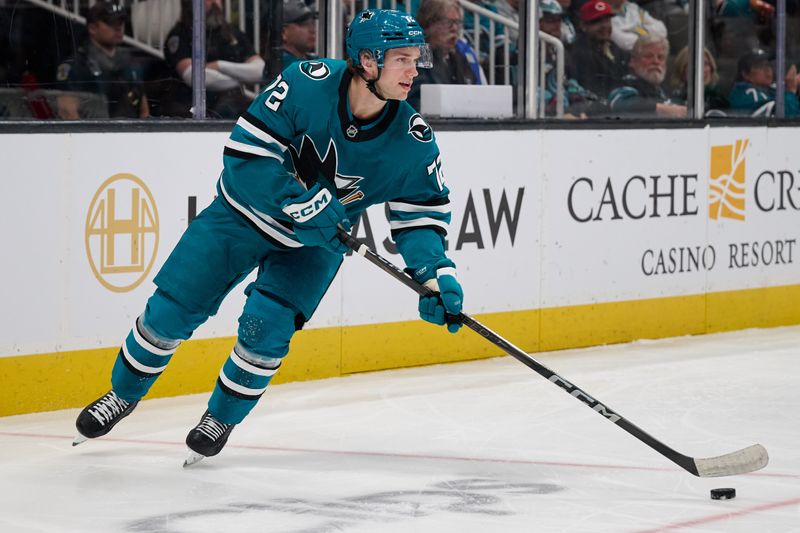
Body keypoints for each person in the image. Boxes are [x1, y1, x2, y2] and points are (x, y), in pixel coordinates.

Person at [73, 9, 464, 465]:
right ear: (367, 61)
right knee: (170, 310)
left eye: (417, 59)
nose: (413, 71)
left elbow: (421, 214)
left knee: (266, 330)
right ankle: (123, 393)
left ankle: (221, 416)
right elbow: (244, 155)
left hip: (312, 246)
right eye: (401, 59)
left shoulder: (413, 141)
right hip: (239, 216)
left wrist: (434, 273)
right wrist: (298, 203)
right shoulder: (305, 82)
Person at [164, 0, 265, 118]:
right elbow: (192, 75)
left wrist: (219, 65)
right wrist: (242, 78)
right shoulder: (181, 34)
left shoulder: (232, 32)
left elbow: (259, 71)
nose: (215, 3)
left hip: (233, 108)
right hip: (191, 110)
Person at [56, 2, 149, 119]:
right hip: (93, 132)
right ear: (92, 28)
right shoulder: (77, 64)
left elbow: (143, 108)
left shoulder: (130, 62)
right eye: (111, 23)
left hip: (129, 131)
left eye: (121, 22)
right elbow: (67, 111)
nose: (118, 27)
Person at [408, 0, 485, 110]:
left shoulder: (459, 56)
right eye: (448, 22)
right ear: (429, 24)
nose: (454, 29)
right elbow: (418, 99)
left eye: (457, 23)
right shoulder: (420, 54)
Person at [608, 35, 687, 117]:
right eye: (648, 56)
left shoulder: (666, 91)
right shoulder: (624, 84)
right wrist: (669, 109)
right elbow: (620, 104)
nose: (656, 61)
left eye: (660, 57)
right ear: (633, 62)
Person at [570, 0, 629, 100]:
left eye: (607, 20)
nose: (604, 26)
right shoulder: (578, 53)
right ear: (583, 26)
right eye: (597, 21)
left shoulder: (615, 48)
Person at [728, 48, 800, 117]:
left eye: (768, 64)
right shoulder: (744, 95)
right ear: (745, 74)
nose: (767, 69)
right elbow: (784, 122)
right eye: (759, 66)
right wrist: (791, 90)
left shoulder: (772, 90)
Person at [669, 46, 729, 115]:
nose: (701, 70)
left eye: (705, 64)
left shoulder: (720, 101)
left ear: (711, 68)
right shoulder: (674, 100)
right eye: (694, 64)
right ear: (682, 71)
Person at [279, 0, 319, 69]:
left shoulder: (314, 59)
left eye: (312, 23)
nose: (312, 30)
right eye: (304, 24)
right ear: (284, 32)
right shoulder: (283, 66)